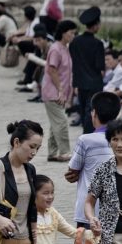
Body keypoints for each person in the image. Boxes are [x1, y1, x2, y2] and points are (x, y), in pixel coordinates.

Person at [64, 91, 119, 244]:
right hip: (114, 216)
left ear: (94, 113)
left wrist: (74, 173)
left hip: (86, 216)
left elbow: (72, 170)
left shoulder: (86, 140)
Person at [41, 20, 76, 162]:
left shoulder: (65, 48)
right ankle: (64, 152)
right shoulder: (56, 48)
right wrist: (61, 90)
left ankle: (52, 152)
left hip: (60, 92)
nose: (73, 35)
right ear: (63, 33)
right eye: (71, 32)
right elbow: (52, 69)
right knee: (61, 122)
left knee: (56, 123)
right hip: (53, 92)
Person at [69, 6, 105, 133]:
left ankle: (86, 135)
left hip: (80, 82)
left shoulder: (74, 42)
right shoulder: (98, 44)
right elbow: (100, 67)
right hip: (94, 84)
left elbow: (74, 62)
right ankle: (88, 136)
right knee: (92, 112)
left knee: (84, 109)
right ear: (95, 25)